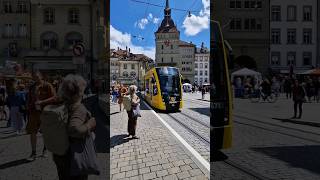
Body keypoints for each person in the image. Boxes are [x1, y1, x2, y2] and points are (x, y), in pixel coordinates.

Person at [52, 74, 96, 180]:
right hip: (75, 156)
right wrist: (89, 124)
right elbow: (74, 129)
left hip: (59, 154)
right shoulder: (78, 108)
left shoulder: (59, 105)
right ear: (79, 92)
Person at [26, 71, 56, 161]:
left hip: (45, 112)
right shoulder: (31, 87)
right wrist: (28, 104)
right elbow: (29, 98)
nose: (35, 78)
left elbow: (54, 97)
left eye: (37, 76)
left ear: (41, 76)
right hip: (33, 113)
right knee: (32, 132)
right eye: (34, 77)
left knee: (45, 132)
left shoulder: (47, 85)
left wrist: (42, 102)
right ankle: (33, 152)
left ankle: (45, 149)